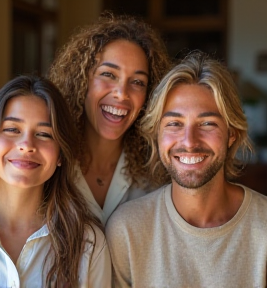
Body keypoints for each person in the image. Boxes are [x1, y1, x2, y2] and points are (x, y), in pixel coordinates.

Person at [106, 51, 267, 287]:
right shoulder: (127, 230)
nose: (189, 141)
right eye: (174, 124)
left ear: (231, 134)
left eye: (207, 124)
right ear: (157, 134)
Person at [0, 75, 111, 287]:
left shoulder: (88, 243)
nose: (26, 145)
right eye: (12, 129)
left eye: (43, 134)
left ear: (60, 155)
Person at [48, 12, 171, 225]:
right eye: (108, 75)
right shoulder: (49, 160)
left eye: (138, 82)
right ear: (82, 80)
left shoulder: (158, 173)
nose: (122, 94)